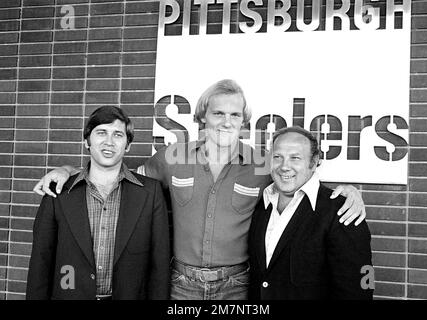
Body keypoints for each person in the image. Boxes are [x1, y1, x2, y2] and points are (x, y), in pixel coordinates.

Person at [33, 79, 367, 300]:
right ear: (202, 118)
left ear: (244, 121)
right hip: (180, 284)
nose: (226, 121)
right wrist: (69, 171)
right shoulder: (171, 157)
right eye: (218, 113)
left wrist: (349, 191)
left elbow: (297, 177)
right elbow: (117, 177)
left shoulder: (262, 163)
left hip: (236, 286)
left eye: (235, 115)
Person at [27, 106, 170, 300]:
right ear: (87, 141)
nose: (109, 142)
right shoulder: (58, 191)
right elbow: (41, 261)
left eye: (118, 135)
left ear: (127, 145)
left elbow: (159, 264)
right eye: (101, 133)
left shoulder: (150, 192)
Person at [248, 126, 373, 300]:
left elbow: (358, 289)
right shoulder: (261, 203)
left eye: (295, 158)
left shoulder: (342, 210)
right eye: (278, 157)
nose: (284, 166)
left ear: (313, 162)